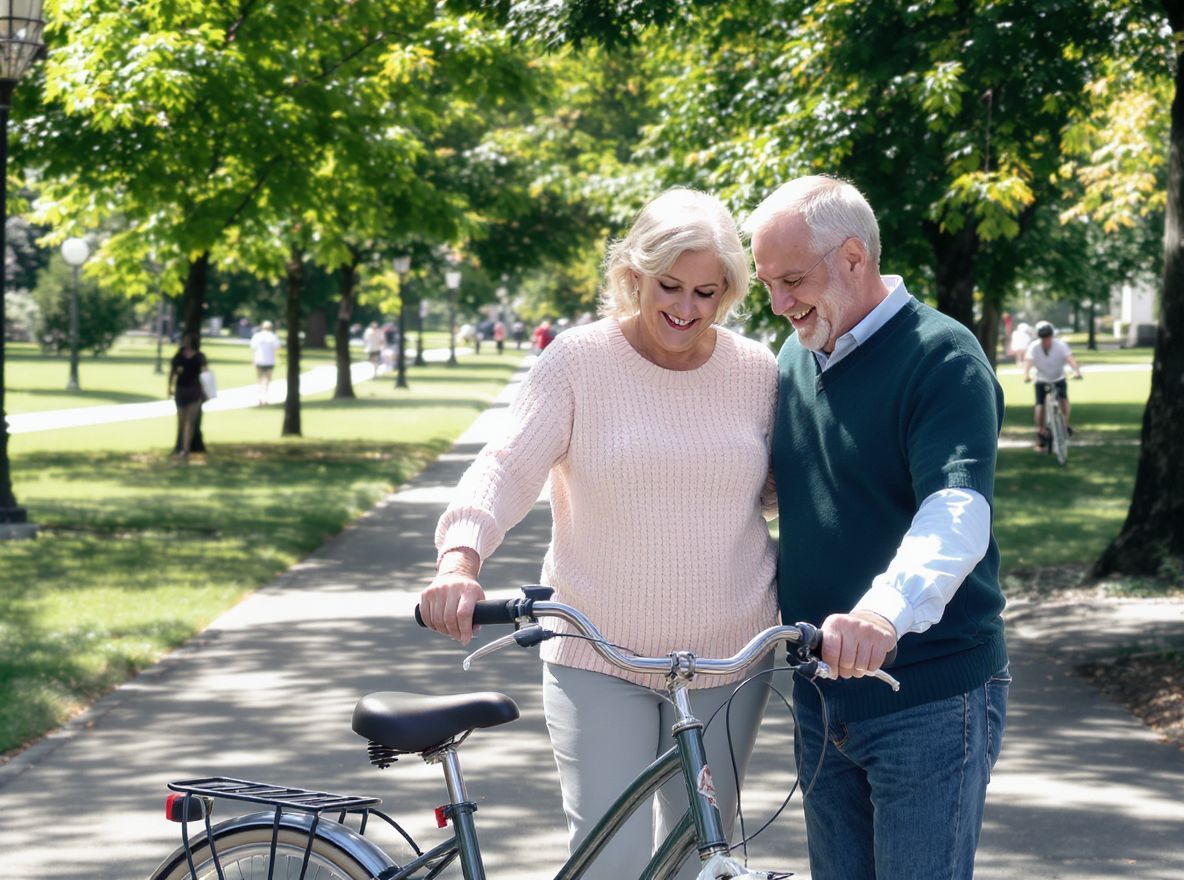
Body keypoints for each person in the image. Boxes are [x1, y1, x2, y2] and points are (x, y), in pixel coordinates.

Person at [420, 187, 779, 879]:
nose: (686, 307)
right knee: (608, 864)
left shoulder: (756, 371)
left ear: (728, 290)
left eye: (707, 292)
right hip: (597, 656)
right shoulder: (580, 361)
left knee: (701, 861)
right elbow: (505, 466)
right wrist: (459, 560)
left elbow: (780, 491)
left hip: (730, 661)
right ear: (634, 274)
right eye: (669, 285)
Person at [746, 175, 1008, 880]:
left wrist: (883, 613)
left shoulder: (941, 355)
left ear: (854, 258)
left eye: (793, 280)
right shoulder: (796, 357)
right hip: (821, 698)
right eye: (767, 285)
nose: (779, 303)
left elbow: (957, 510)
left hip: (926, 696)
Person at [1024, 320, 1083, 450]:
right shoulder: (1034, 347)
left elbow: (1070, 359)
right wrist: (1026, 375)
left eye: (1048, 338)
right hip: (1041, 379)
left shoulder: (1060, 346)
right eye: (1043, 338)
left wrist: (1077, 371)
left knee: (1063, 401)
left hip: (1058, 378)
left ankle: (1064, 426)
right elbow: (1028, 361)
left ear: (1052, 336)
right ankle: (1041, 431)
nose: (1046, 341)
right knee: (1040, 405)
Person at [167, 334, 208, 463]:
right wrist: (169, 387)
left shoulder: (200, 357)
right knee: (182, 421)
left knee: (190, 422)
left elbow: (206, 374)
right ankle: (182, 447)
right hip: (181, 390)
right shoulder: (179, 356)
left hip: (194, 391)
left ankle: (186, 449)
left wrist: (206, 390)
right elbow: (172, 372)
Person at [249, 320, 280, 406]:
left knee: (260, 380)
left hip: (259, 361)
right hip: (269, 361)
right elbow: (277, 347)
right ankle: (264, 398)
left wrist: (253, 360)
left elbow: (253, 348)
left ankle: (260, 397)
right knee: (267, 380)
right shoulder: (273, 337)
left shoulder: (257, 336)